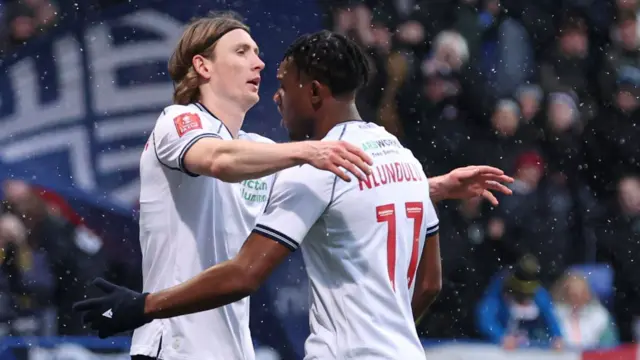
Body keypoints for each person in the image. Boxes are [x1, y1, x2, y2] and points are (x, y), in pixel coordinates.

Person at [74, 30, 514, 359]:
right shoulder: (179, 122)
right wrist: (311, 151)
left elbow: (343, 199)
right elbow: (219, 161)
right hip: (173, 347)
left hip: (235, 351)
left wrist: (427, 188)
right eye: (242, 51)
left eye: (263, 56)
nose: (261, 64)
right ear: (203, 66)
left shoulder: (274, 155)